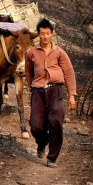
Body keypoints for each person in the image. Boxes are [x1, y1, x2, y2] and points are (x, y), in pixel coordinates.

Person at [25, 18, 76, 167]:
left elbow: (69, 73)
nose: (45, 36)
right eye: (42, 34)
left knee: (55, 122)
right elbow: (28, 72)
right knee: (35, 125)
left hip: (55, 91)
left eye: (48, 33)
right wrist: (32, 87)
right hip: (38, 92)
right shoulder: (31, 52)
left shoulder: (59, 52)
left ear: (52, 34)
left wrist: (72, 95)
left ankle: (52, 157)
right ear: (39, 35)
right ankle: (42, 142)